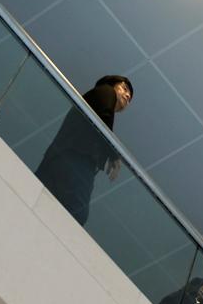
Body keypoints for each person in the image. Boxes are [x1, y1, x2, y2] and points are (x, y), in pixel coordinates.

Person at [34, 74, 133, 225]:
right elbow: (103, 119)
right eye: (124, 89)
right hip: (76, 159)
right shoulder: (107, 91)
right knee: (77, 213)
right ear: (112, 85)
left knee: (41, 203)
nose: (127, 96)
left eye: (129, 98)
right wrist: (113, 154)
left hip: (60, 158)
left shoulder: (97, 99)